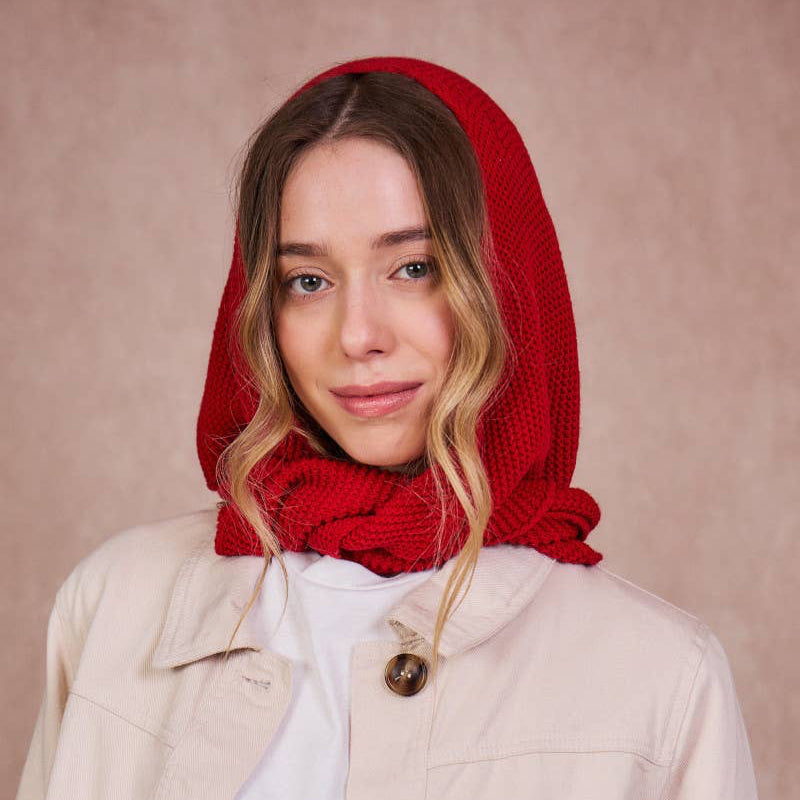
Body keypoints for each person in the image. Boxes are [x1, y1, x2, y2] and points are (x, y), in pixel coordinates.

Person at [15, 56, 760, 800]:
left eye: (414, 267)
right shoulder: (115, 601)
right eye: (309, 281)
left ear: (505, 282)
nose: (357, 335)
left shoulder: (662, 677)